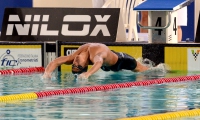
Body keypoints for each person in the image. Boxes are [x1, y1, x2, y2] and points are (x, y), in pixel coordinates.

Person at [43, 43, 164, 79]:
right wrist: (47, 73)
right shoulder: (92, 57)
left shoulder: (77, 55)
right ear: (85, 65)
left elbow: (55, 62)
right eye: (77, 66)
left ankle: (158, 70)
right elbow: (98, 62)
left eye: (74, 65)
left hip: (122, 60)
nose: (74, 62)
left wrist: (88, 74)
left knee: (145, 71)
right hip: (107, 64)